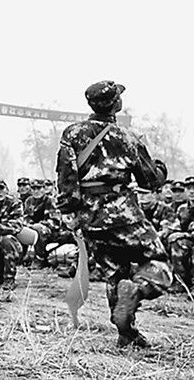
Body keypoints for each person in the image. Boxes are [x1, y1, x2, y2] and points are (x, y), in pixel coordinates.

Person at [55, 80, 171, 348]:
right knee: (159, 265)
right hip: (123, 215)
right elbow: (151, 181)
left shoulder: (72, 133)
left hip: (89, 219)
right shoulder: (127, 138)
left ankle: (126, 335)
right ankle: (138, 292)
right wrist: (160, 166)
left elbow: (66, 179)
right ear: (116, 104)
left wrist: (71, 213)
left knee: (115, 274)